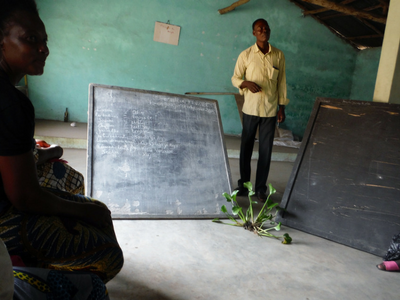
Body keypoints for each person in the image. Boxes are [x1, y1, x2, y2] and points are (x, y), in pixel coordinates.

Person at [0, 0, 123, 284]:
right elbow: (24, 196)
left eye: (44, 40)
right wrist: (83, 210)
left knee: (69, 180)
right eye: (31, 39)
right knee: (108, 248)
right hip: (6, 211)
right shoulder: (11, 103)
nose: (45, 48)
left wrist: (42, 154)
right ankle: (42, 282)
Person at [231, 18, 289, 202]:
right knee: (246, 148)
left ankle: (260, 189)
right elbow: (234, 78)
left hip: (270, 112)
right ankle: (244, 186)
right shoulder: (246, 55)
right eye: (259, 28)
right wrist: (245, 83)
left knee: (266, 150)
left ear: (269, 31)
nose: (263, 31)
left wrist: (282, 107)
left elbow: (282, 83)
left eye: (266, 28)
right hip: (250, 109)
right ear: (254, 33)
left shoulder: (278, 55)